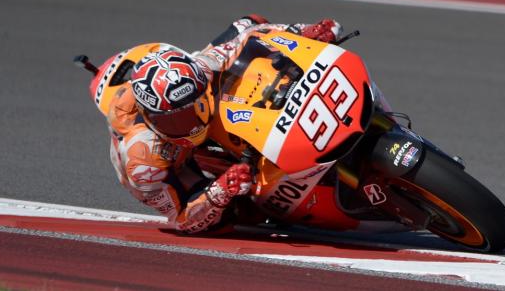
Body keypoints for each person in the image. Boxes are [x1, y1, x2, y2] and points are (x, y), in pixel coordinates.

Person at [106, 15, 343, 233]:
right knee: (238, 217)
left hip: (202, 88)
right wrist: (219, 192)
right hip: (173, 166)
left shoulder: (202, 68)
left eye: (191, 110)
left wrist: (303, 32)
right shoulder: (143, 161)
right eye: (174, 121)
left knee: (247, 23)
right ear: (150, 117)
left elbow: (251, 31)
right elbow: (182, 220)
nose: (189, 127)